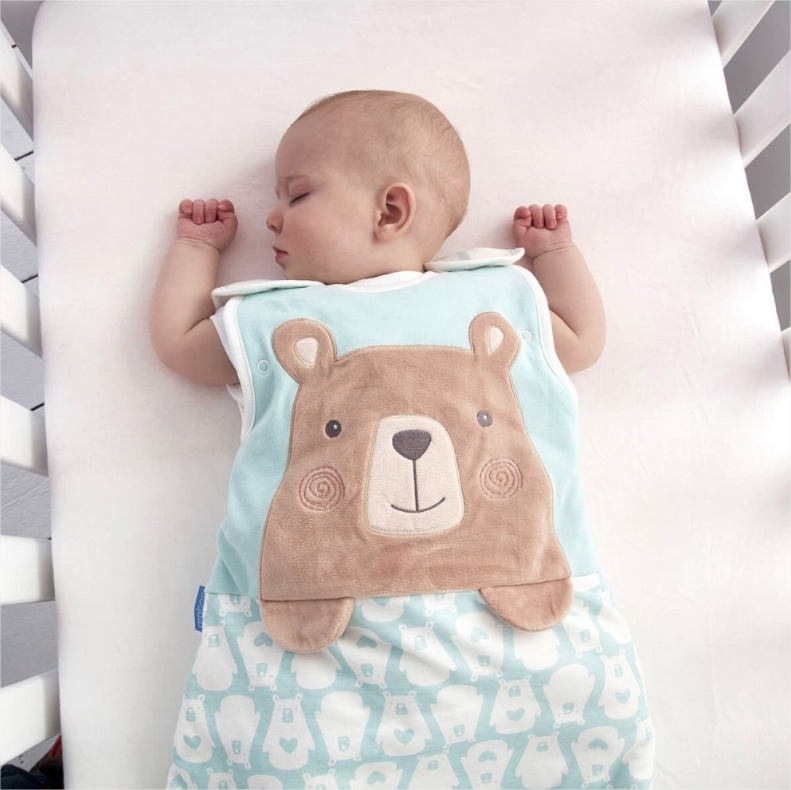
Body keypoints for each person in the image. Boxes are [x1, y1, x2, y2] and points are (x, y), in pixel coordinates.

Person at [151, 90, 653, 788]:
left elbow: (582, 339)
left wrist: (555, 255)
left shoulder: (499, 298)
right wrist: (194, 252)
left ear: (390, 210)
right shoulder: (277, 320)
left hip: (510, 615)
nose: (271, 217)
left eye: (297, 194)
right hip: (322, 635)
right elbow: (180, 346)